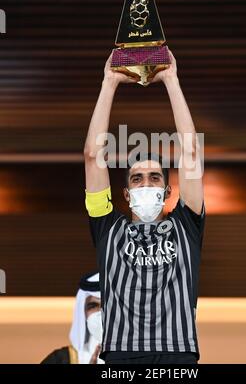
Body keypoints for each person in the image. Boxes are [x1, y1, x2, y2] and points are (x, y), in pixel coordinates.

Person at [84, 49, 206, 364]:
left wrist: (171, 79)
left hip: (177, 356)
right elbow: (92, 157)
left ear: (168, 191)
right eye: (138, 179)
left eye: (154, 178)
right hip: (121, 356)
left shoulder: (186, 225)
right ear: (125, 194)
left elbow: (191, 153)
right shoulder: (107, 228)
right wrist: (108, 83)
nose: (147, 183)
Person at [41, 271, 105, 364]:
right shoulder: (61, 360)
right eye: (93, 306)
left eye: (108, 306)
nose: (100, 313)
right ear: (83, 312)